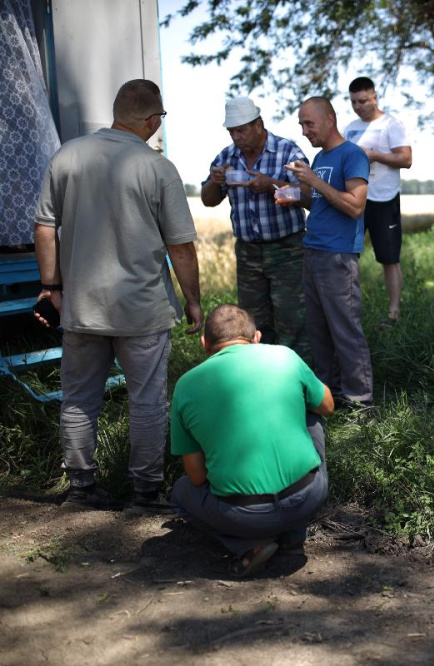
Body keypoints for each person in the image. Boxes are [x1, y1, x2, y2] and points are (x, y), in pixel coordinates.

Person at [33, 79, 202, 513]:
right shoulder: (158, 168)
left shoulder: (68, 155)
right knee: (146, 402)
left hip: (82, 306)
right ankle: (145, 494)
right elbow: (180, 246)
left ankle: (81, 490)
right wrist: (194, 302)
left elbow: (44, 226)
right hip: (142, 310)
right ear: (151, 120)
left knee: (78, 398)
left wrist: (51, 287)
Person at [170, 305, 334, 578]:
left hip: (243, 515)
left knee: (181, 493)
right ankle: (293, 538)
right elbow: (327, 405)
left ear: (204, 343)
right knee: (311, 414)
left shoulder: (186, 386)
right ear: (257, 337)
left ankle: (247, 544)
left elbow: (197, 478)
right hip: (309, 497)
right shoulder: (285, 356)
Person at [279, 97, 373, 407]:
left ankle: (360, 402)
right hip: (313, 251)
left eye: (309, 123)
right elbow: (320, 202)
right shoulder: (320, 158)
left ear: (330, 120)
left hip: (338, 257)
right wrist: (294, 192)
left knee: (345, 331)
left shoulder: (352, 155)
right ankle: (327, 398)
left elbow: (355, 206)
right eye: (301, 125)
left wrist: (315, 180)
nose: (305, 131)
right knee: (318, 333)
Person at [200, 97, 311, 361]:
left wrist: (271, 184)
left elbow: (310, 196)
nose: (236, 137)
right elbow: (208, 199)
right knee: (254, 322)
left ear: (259, 125)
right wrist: (215, 182)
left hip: (288, 250)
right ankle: (263, 373)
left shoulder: (287, 151)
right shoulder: (227, 156)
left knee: (293, 318)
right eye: (231, 131)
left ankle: (297, 378)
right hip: (249, 252)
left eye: (241, 130)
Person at [344, 77, 412, 324]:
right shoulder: (349, 128)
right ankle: (351, 312)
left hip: (384, 199)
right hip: (355, 200)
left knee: (389, 258)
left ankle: (394, 313)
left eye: (362, 101)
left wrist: (374, 155)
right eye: (353, 102)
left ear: (374, 97)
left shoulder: (391, 124)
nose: (358, 106)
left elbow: (406, 159)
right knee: (349, 257)